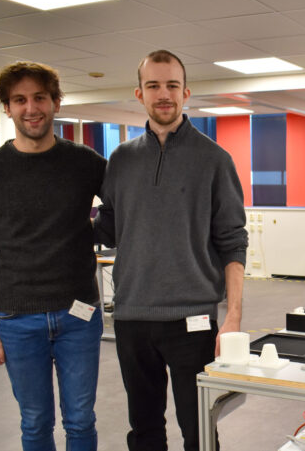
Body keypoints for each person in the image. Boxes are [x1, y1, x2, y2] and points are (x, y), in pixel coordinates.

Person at [94, 49, 247, 451]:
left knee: (198, 429)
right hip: (131, 318)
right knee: (143, 430)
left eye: (172, 86)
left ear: (186, 92)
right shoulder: (121, 159)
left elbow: (233, 241)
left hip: (192, 321)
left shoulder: (214, 160)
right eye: (153, 86)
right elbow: (108, 229)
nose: (164, 94)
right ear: (139, 93)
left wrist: (232, 316)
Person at [0, 61, 106, 450]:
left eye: (40, 97)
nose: (31, 108)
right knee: (35, 423)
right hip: (16, 319)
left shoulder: (86, 162)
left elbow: (124, 205)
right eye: (20, 100)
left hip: (79, 314)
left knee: (80, 421)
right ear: (7, 108)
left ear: (56, 103)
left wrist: (93, 233)